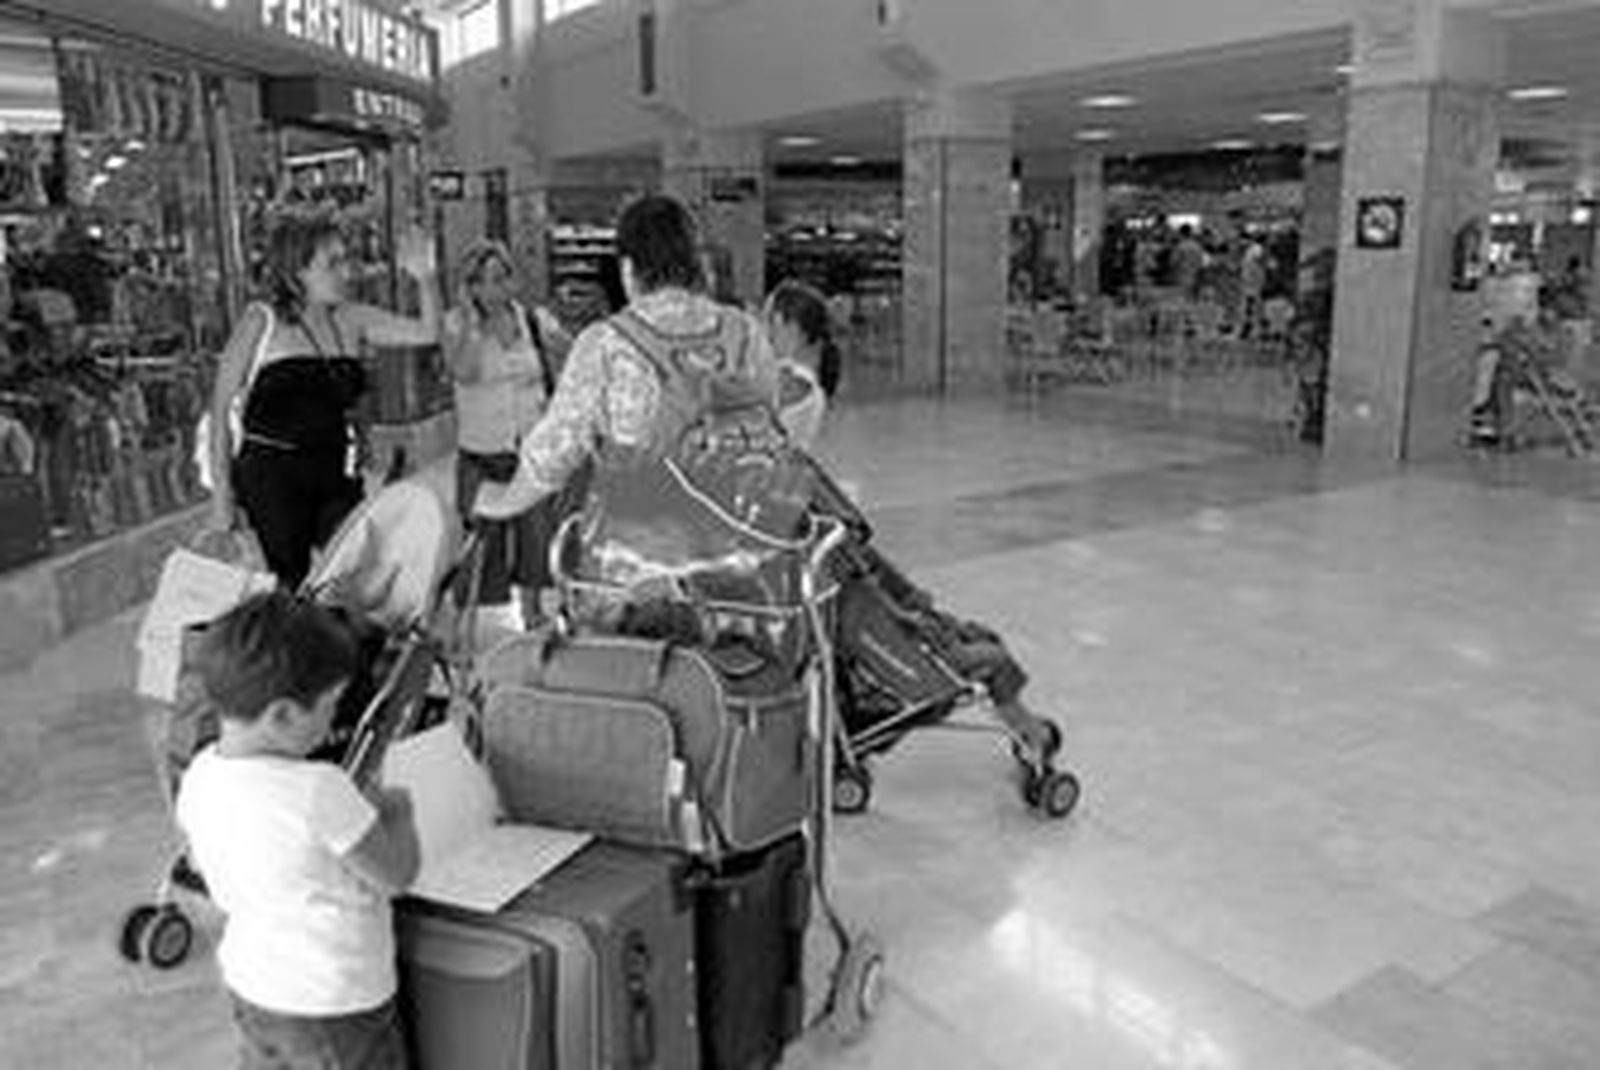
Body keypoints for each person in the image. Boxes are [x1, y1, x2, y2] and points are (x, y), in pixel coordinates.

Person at [175, 591, 420, 1070]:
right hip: (336, 1004)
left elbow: (207, 862)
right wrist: (398, 813)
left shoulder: (199, 775)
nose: (334, 720)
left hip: (253, 987)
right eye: (329, 707)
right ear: (282, 714)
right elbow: (395, 876)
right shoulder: (319, 790)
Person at [472, 194, 779, 538]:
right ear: (695, 261)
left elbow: (555, 451)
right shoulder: (746, 331)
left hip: (646, 560)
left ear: (629, 268)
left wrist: (500, 501)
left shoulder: (607, 343)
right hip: (744, 545)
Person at [206, 215, 441, 588]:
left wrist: (426, 278)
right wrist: (222, 496)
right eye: (332, 263)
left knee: (358, 572)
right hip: (272, 478)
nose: (346, 272)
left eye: (346, 260)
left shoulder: (351, 319)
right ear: (296, 270)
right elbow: (219, 411)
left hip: (334, 472)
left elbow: (428, 332)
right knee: (286, 587)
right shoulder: (261, 321)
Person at [443, 239, 573, 627]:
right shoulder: (456, 323)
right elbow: (463, 372)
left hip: (530, 446)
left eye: (504, 277)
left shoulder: (534, 320)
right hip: (482, 450)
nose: (499, 287)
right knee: (481, 542)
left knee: (535, 534)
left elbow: (569, 359)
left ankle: (532, 614)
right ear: (471, 286)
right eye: (488, 280)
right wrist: (471, 323)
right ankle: (464, 624)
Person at [764, 279, 842, 449]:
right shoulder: (787, 372)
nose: (765, 332)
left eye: (771, 323)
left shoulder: (795, 383)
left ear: (794, 329)